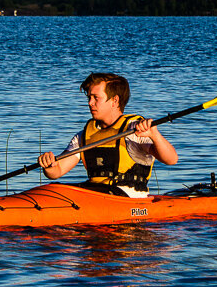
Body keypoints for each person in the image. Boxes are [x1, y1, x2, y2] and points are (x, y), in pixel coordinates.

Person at [38, 72, 177, 196]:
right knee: (54, 189)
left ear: (114, 101)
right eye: (89, 98)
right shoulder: (83, 136)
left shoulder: (134, 130)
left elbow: (171, 159)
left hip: (126, 200)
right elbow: (57, 171)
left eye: (95, 98)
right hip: (95, 193)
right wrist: (50, 166)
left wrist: (154, 135)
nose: (90, 103)